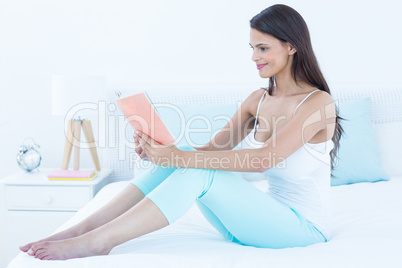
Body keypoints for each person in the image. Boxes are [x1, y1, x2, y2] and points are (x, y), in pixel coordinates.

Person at [20, 4, 342, 260]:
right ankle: (83, 228)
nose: (254, 57)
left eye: (262, 48)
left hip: (304, 229)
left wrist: (179, 157)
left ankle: (99, 241)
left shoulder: (318, 103)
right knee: (188, 158)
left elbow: (262, 161)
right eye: (251, 48)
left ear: (290, 47)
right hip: (251, 225)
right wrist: (161, 151)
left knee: (196, 170)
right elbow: (209, 153)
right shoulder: (258, 100)